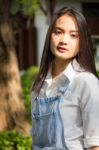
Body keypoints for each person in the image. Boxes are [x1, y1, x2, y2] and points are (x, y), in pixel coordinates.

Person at [31, 6, 99, 150]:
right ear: (50, 35)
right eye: (58, 32)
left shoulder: (86, 82)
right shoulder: (39, 85)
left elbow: (95, 144)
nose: (64, 40)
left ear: (83, 42)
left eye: (73, 35)